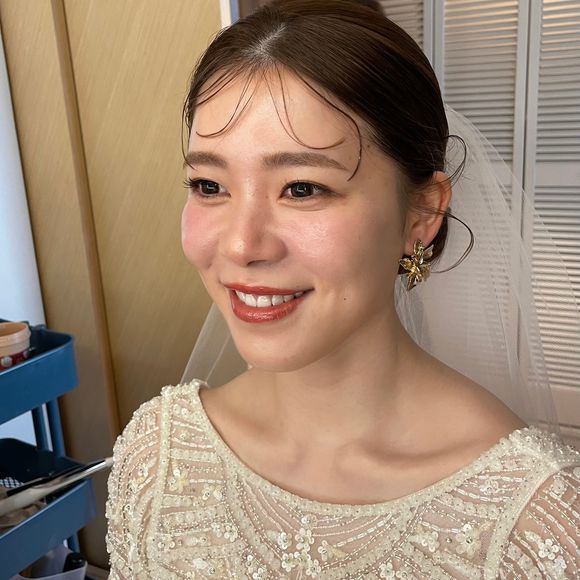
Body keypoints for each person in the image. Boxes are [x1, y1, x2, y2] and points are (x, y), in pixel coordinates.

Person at [105, 1, 580, 578]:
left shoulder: (533, 523)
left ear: (422, 213)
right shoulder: (157, 455)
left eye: (302, 188)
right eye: (209, 185)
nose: (242, 245)